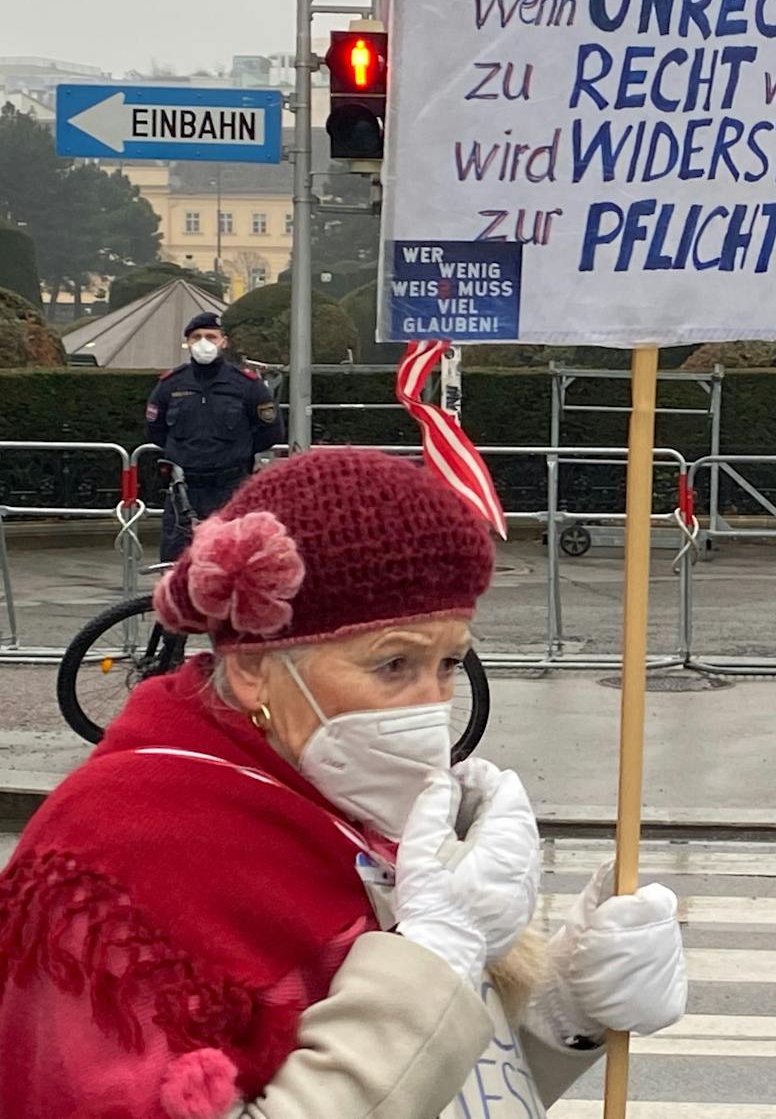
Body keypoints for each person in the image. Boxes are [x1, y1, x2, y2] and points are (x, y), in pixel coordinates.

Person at [0, 449, 687, 1117]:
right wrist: (434, 959)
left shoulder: (337, 805)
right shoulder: (110, 855)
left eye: (449, 664)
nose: (429, 703)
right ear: (253, 671)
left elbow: (424, 1087)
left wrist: (565, 1011)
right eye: (393, 665)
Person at [146, 310, 283, 561]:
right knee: (176, 563)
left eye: (211, 336)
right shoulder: (170, 384)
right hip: (184, 489)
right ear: (187, 342)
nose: (204, 343)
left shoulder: (246, 385)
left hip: (230, 487)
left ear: (224, 341)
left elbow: (271, 430)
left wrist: (237, 453)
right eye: (196, 337)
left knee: (232, 561)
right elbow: (155, 430)